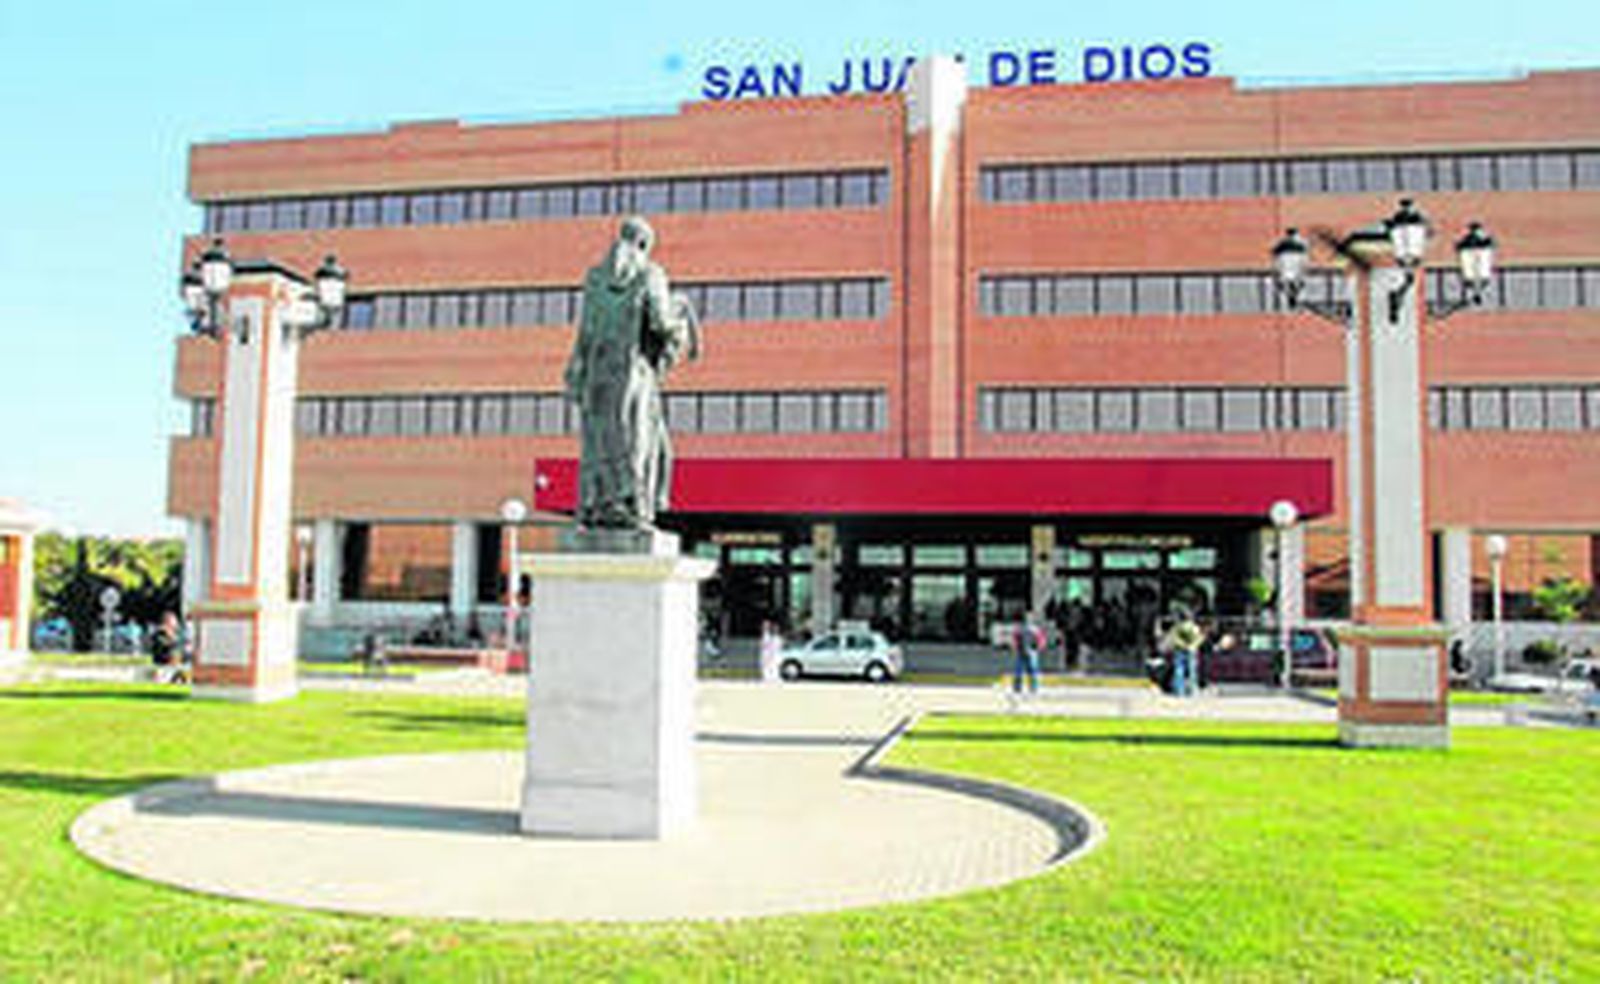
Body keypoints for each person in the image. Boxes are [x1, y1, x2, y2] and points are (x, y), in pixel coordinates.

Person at [565, 216, 700, 529]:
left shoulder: (595, 278)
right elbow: (661, 323)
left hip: (596, 374)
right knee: (636, 439)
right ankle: (633, 507)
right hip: (631, 373)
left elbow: (585, 331)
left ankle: (598, 506)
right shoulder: (650, 273)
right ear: (644, 244)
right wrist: (681, 311)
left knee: (599, 440)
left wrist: (576, 371)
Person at [1163, 610, 1205, 697]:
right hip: (1192, 650)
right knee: (1192, 670)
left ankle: (1179, 691)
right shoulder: (1194, 627)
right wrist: (1192, 646)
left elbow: (1174, 638)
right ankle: (1193, 690)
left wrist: (1183, 645)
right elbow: (1200, 638)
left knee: (1179, 670)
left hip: (1180, 650)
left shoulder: (1177, 627)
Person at [1011, 613, 1044, 697]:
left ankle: (1029, 688)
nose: (1028, 620)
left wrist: (1037, 648)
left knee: (1029, 670)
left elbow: (1041, 640)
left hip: (1028, 651)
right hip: (1025, 651)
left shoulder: (1032, 629)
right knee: (1023, 671)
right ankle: (1022, 688)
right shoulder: (1024, 629)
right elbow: (1015, 639)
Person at [149, 612, 184, 684]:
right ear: (167, 621)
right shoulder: (159, 634)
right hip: (162, 664)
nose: (176, 622)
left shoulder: (176, 634)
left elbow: (177, 646)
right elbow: (162, 645)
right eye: (174, 620)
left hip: (173, 664)